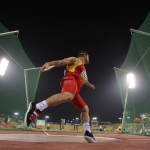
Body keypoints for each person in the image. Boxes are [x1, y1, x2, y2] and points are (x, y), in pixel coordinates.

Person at [24, 50, 97, 143]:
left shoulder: (83, 69)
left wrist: (90, 85)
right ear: (84, 55)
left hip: (75, 90)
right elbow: (61, 62)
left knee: (85, 109)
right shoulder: (75, 60)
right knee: (68, 96)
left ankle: (88, 132)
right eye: (88, 56)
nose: (89, 58)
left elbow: (84, 80)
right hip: (70, 80)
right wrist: (48, 63)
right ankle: (36, 107)